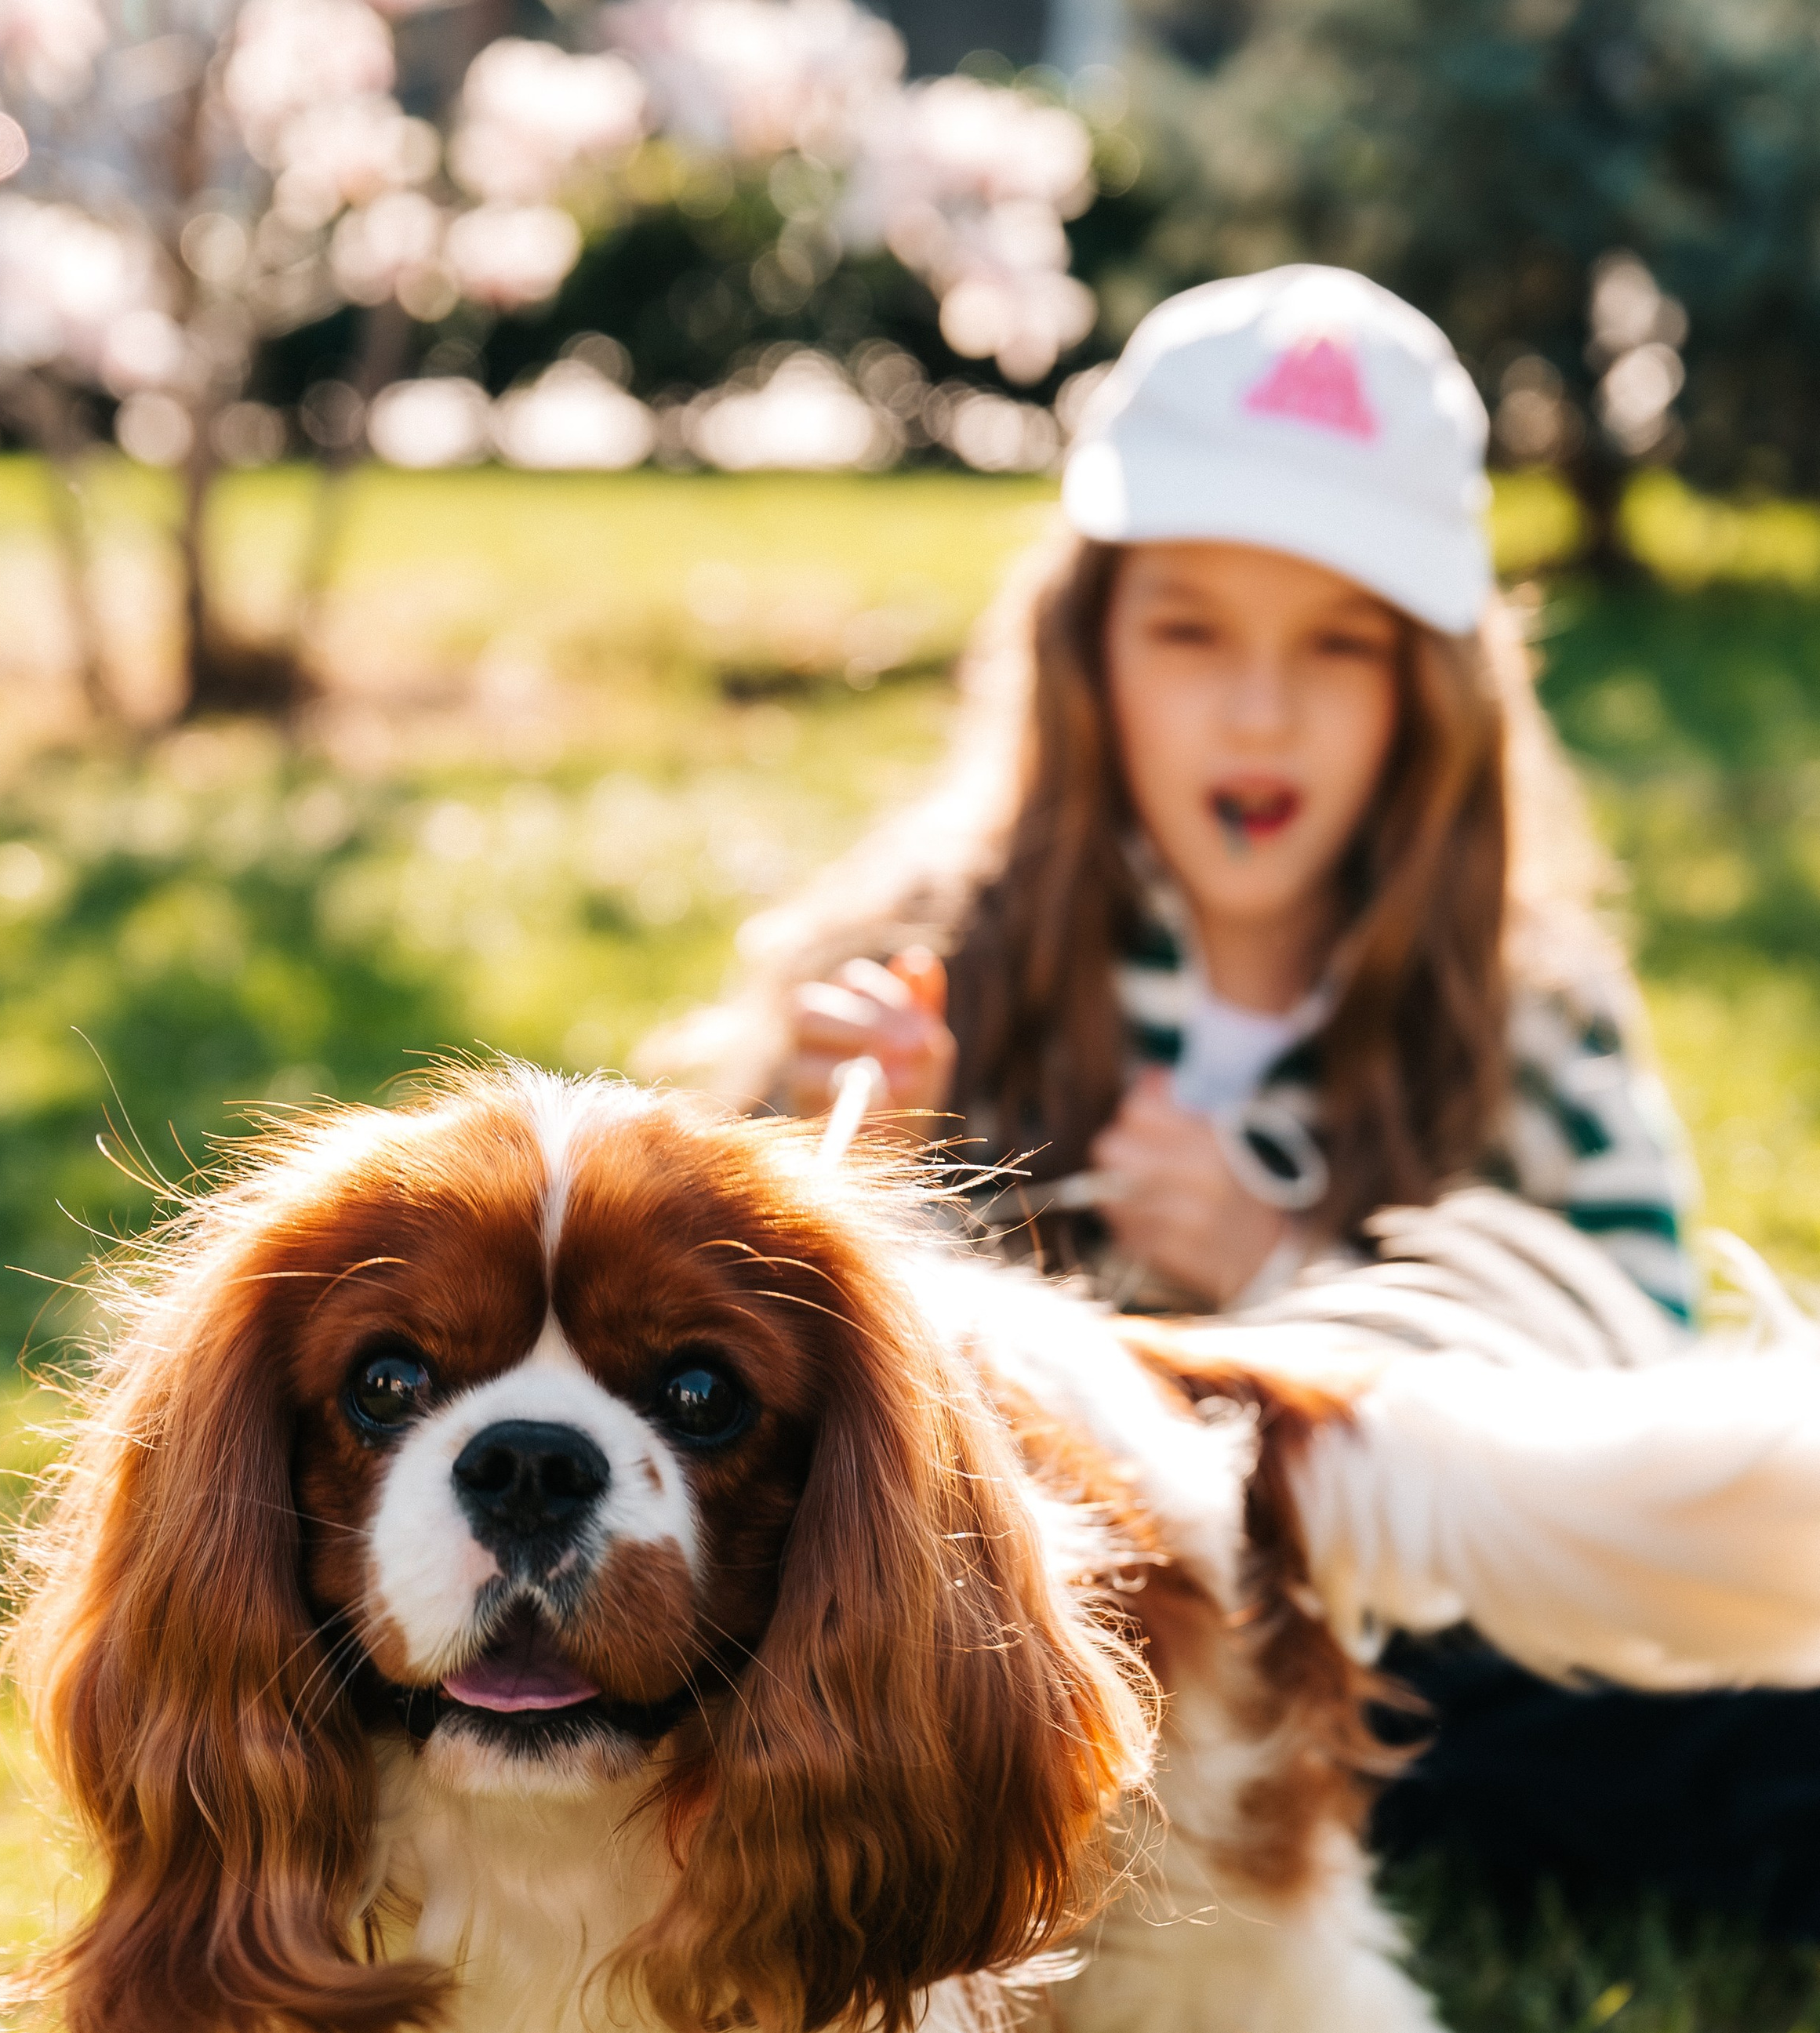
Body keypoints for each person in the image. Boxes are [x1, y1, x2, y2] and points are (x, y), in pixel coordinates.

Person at [651, 263, 1820, 1934]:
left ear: (1431, 691)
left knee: (1732, 1710)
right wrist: (851, 1151)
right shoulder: (933, 947)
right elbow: (704, 1376)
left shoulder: (1522, 1007)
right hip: (1012, 1634)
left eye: (1335, 648)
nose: (1255, 710)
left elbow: (1618, 1390)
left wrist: (1289, 1277)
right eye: (1188, 631)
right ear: (1086, 643)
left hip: (1404, 1656)